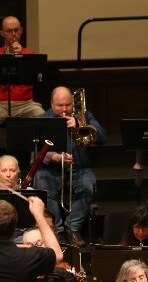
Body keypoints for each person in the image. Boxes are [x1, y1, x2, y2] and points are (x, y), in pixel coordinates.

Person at [37, 86, 107, 247]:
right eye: (59, 105)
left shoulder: (84, 115)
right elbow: (37, 149)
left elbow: (102, 137)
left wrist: (81, 124)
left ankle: (72, 227)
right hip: (52, 168)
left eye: (67, 105)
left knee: (89, 185)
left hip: (80, 167)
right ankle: (58, 231)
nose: (64, 109)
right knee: (42, 187)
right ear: (51, 104)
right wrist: (54, 156)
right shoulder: (44, 118)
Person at [0, 16, 45, 162]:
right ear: (2, 33)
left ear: (21, 31)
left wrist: (20, 56)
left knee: (42, 116)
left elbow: (39, 79)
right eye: (9, 31)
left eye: (16, 30)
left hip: (26, 104)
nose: (13, 34)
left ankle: (36, 162)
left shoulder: (31, 55)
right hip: (0, 104)